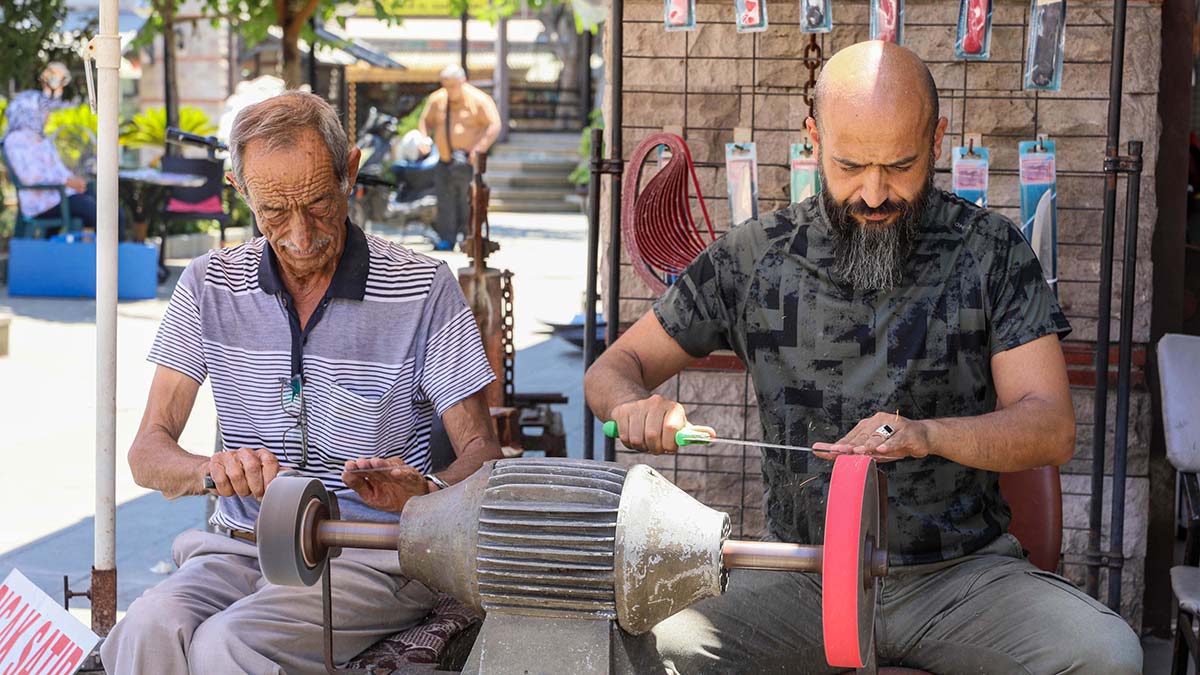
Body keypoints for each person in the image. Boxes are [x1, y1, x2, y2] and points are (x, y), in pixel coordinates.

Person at [586, 41, 1143, 674]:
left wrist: (927, 435)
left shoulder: (991, 251)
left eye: (899, 166)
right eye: (850, 165)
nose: (874, 193)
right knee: (643, 649)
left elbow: (1050, 427)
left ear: (936, 141)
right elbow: (612, 368)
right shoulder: (755, 257)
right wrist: (633, 408)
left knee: (1107, 656)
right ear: (813, 138)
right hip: (803, 575)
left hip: (959, 579)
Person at [100, 91, 503, 674]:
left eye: (318, 203)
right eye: (273, 212)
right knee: (148, 627)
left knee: (227, 645)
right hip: (239, 548)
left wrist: (425, 488)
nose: (300, 234)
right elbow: (147, 454)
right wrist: (210, 471)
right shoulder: (208, 284)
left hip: (372, 557)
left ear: (351, 172)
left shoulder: (421, 286)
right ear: (239, 190)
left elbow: (482, 454)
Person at [417, 64, 501, 251]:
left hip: (467, 162)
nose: (450, 90)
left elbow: (494, 125)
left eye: (453, 85)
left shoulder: (479, 100)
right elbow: (425, 121)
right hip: (444, 160)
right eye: (446, 85)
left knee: (467, 200)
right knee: (444, 199)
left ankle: (469, 237)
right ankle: (447, 238)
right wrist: (424, 138)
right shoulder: (438, 99)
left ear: (463, 81)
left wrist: (479, 149)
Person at [1, 90, 106, 234]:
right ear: (29, 113)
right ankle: (111, 253)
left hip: (59, 195)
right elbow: (31, 177)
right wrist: (67, 181)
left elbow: (58, 169)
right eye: (44, 111)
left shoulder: (40, 139)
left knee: (106, 201)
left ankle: (119, 250)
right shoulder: (16, 140)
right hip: (44, 203)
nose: (48, 116)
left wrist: (75, 182)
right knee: (99, 212)